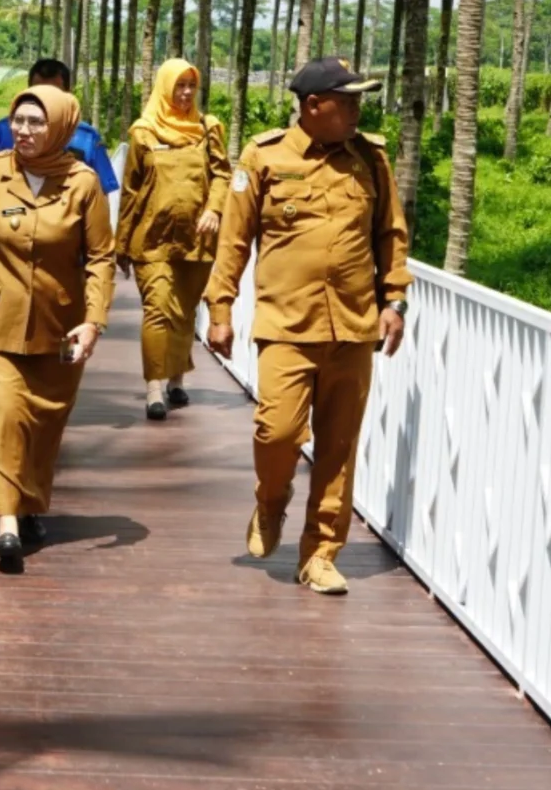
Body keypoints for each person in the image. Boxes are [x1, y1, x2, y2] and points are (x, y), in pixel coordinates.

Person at [205, 58, 410, 595]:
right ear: (314, 106)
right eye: (348, 102)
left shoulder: (370, 158)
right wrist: (220, 310)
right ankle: (271, 500)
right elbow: (233, 241)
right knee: (278, 431)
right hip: (286, 326)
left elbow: (391, 232)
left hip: (352, 327)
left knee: (339, 446)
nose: (357, 112)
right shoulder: (264, 156)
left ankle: (319, 553)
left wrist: (395, 301)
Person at [0, 85, 115, 573]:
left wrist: (93, 321)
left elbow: (100, 258)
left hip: (59, 325)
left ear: (59, 127)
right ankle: (8, 521)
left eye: (36, 122)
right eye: (18, 120)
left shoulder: (82, 183)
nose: (24, 130)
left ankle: (32, 501)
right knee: (2, 413)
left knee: (44, 421)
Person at [115, 58, 228, 421]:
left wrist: (214, 209)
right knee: (158, 309)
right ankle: (154, 387)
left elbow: (223, 175)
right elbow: (131, 190)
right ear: (164, 88)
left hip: (197, 238)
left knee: (183, 312)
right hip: (152, 237)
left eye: (191, 86)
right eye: (178, 86)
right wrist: (121, 243)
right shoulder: (144, 133)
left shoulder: (208, 129)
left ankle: (177, 380)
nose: (184, 93)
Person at [0, 58, 119, 191]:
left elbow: (103, 192)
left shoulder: (87, 138)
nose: (45, 100)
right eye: (38, 93)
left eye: (53, 94)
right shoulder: (5, 129)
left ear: (68, 95)